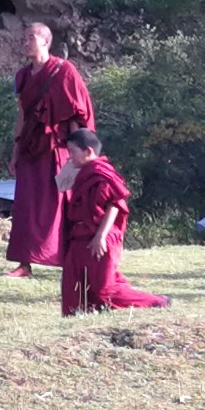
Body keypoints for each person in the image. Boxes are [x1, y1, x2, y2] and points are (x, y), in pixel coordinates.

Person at [7, 23, 93, 277]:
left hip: (58, 147)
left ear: (45, 41)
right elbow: (22, 114)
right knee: (25, 205)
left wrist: (80, 155)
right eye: (24, 38)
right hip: (31, 146)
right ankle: (25, 263)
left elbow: (77, 113)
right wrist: (15, 151)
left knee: (60, 202)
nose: (25, 42)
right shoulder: (23, 76)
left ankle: (69, 258)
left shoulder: (64, 71)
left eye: (30, 38)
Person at [58, 131, 169, 315]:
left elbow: (115, 204)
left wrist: (100, 236)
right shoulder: (82, 173)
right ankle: (78, 318)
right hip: (79, 237)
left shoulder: (102, 173)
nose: (69, 156)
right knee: (73, 285)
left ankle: (157, 301)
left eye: (72, 151)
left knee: (104, 290)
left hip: (101, 236)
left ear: (88, 151)